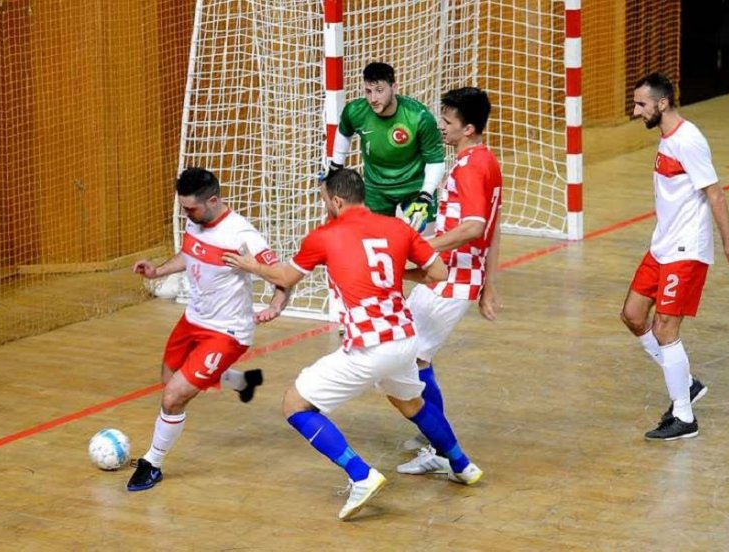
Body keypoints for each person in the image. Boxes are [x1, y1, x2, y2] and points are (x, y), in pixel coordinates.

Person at [224, 169, 483, 521]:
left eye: (324, 200)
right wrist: (396, 270)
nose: (324, 207)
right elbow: (437, 275)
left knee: (295, 404)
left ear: (337, 201)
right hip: (405, 339)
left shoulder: (325, 235)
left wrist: (249, 265)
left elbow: (285, 277)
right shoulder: (397, 228)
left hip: (369, 347)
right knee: (410, 403)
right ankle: (462, 465)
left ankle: (361, 475)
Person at [126, 167, 289, 491]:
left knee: (173, 398)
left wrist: (275, 306)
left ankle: (152, 463)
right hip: (193, 320)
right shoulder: (196, 220)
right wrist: (157, 270)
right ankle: (242, 381)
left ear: (213, 200)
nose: (186, 213)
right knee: (169, 380)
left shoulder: (242, 235)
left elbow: (282, 275)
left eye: (191, 208)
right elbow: (189, 254)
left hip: (226, 332)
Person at [620, 72, 729, 441]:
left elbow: (716, 195)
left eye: (641, 104)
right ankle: (688, 383)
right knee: (633, 316)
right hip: (661, 245)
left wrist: (728, 247)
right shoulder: (667, 138)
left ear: (662, 104)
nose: (636, 111)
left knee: (665, 328)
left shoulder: (689, 140)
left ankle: (684, 416)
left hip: (687, 249)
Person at [394, 87, 503, 474]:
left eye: (448, 121)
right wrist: (488, 284)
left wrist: (422, 245)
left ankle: (443, 451)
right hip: (454, 275)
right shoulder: (485, 161)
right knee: (413, 354)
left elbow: (474, 227)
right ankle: (433, 437)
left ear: (469, 128)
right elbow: (494, 226)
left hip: (452, 279)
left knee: (409, 357)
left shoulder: (472, 166)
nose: (441, 126)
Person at [327, 62, 445, 232]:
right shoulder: (355, 111)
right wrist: (335, 166)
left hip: (415, 188)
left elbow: (435, 160)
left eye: (379, 90)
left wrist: (425, 195)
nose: (373, 99)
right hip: (376, 190)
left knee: (425, 242)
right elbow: (344, 131)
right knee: (376, 242)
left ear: (394, 87)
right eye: (368, 91)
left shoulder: (419, 117)